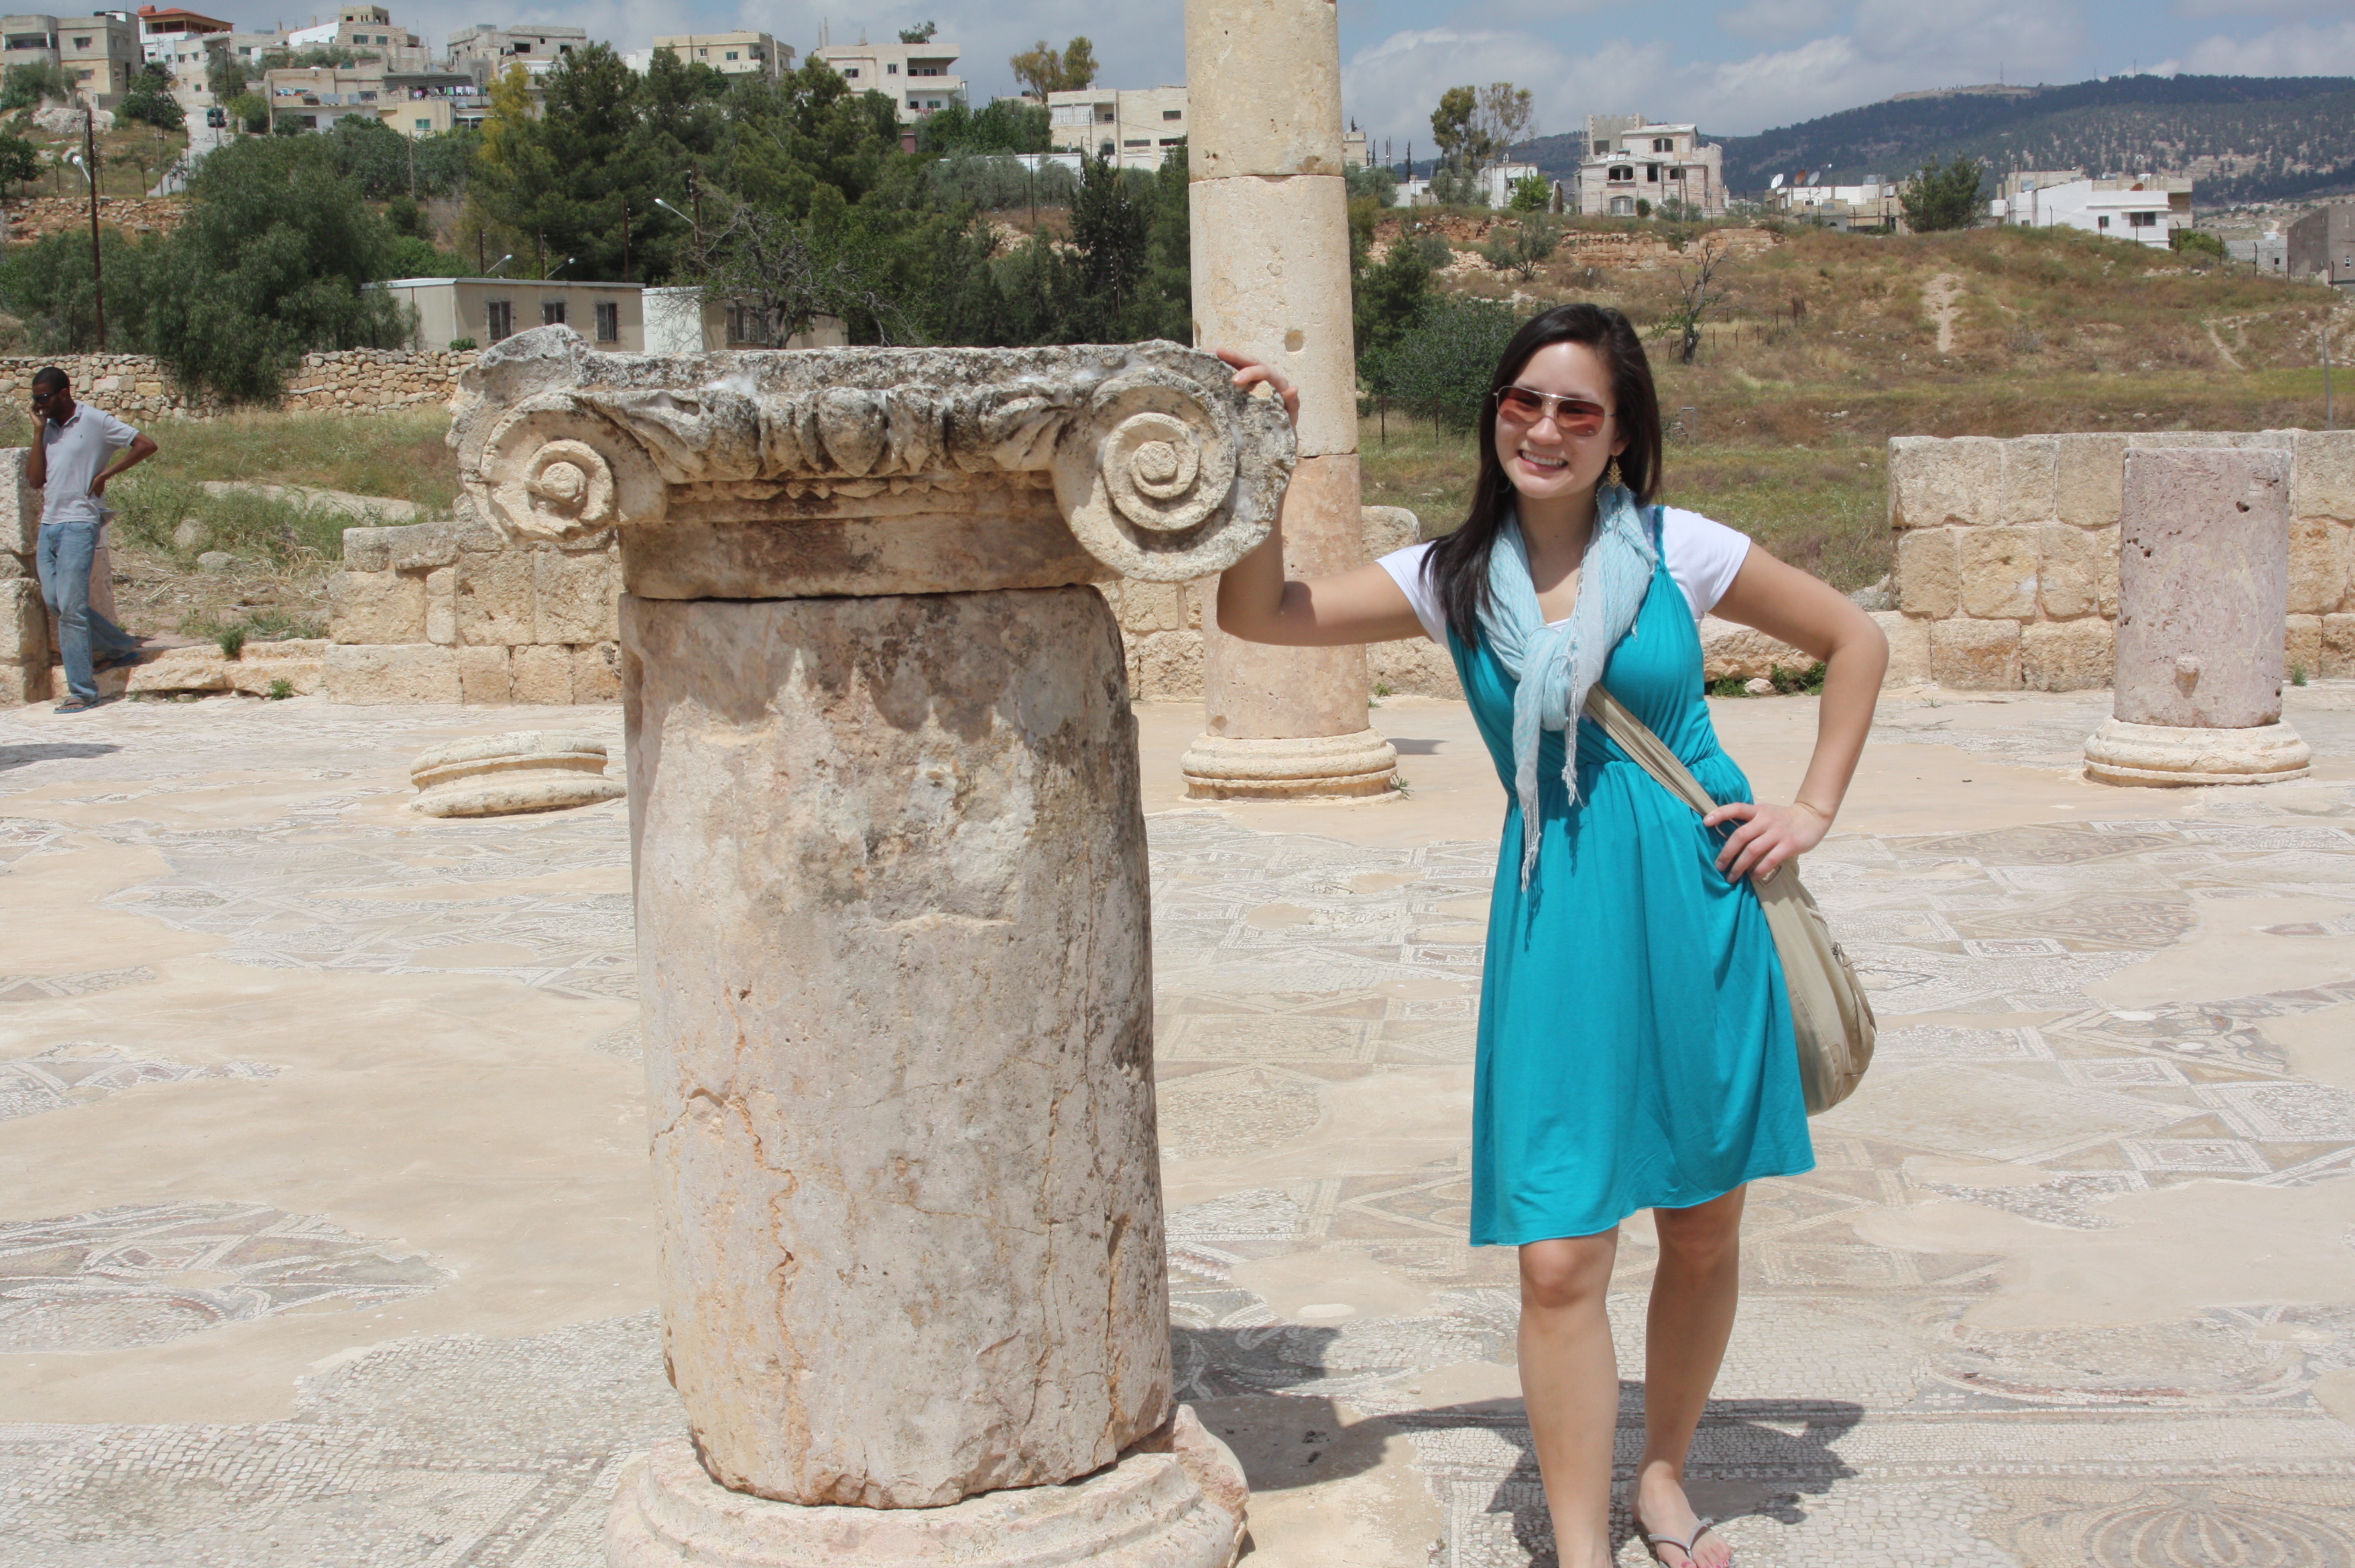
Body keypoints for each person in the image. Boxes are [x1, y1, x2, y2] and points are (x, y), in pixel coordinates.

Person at [1216, 304, 1885, 1568]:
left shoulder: (1680, 549)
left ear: (1619, 434)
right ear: (1495, 413)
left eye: (1579, 409)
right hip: (1558, 921)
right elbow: (1264, 615)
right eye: (1524, 400)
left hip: (1697, 905)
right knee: (1559, 1258)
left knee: (1700, 1225)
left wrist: (1810, 808)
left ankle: (1663, 1476)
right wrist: (1267, 456)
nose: (1545, 427)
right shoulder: (1449, 576)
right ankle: (1578, 1552)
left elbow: (1854, 638)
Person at [27, 366, 156, 713]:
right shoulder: (48, 429)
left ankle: (82, 692)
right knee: (56, 601)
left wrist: (105, 474)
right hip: (49, 524)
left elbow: (146, 444)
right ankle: (119, 646)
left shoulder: (95, 420)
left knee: (71, 610)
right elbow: (35, 480)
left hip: (80, 523)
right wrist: (38, 432)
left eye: (44, 398)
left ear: (64, 393)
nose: (39, 404)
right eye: (35, 399)